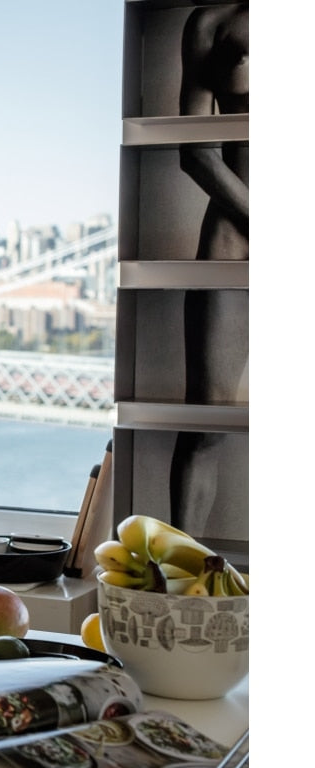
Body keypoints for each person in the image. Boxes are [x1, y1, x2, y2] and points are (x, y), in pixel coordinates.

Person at [169, 2, 248, 534]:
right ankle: (178, 576)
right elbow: (194, 149)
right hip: (233, 236)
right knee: (206, 423)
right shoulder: (212, 23)